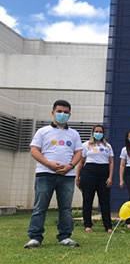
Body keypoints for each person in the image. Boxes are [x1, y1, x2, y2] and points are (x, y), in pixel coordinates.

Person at [25, 100, 82, 248]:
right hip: (45, 174)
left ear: (70, 114)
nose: (62, 114)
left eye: (65, 112)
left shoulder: (74, 134)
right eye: (59, 111)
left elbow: (78, 153)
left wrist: (70, 166)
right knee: (40, 207)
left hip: (67, 176)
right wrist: (48, 164)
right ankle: (35, 237)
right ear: (53, 113)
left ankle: (65, 236)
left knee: (66, 208)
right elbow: (34, 150)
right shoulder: (43, 131)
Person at [75, 125, 114, 233]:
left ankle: (108, 226)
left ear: (103, 133)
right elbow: (81, 162)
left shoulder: (108, 146)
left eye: (100, 131)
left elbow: (111, 163)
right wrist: (77, 177)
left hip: (104, 174)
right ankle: (88, 225)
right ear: (92, 132)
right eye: (96, 131)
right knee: (88, 199)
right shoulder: (86, 145)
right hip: (89, 173)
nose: (98, 133)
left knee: (105, 201)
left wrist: (110, 177)